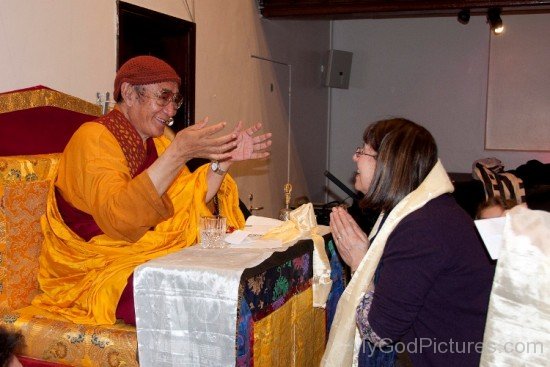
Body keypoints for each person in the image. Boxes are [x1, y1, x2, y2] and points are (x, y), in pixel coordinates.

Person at [32, 55, 271, 326]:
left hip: (141, 252)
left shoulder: (155, 143)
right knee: (178, 294)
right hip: (97, 269)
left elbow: (185, 198)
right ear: (129, 93)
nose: (171, 111)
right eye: (163, 97)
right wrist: (178, 153)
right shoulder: (94, 139)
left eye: (175, 101)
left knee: (223, 272)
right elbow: (120, 220)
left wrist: (221, 163)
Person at [322, 118, 495, 367]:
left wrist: (360, 263)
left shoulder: (421, 227)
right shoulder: (429, 212)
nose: (354, 157)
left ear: (388, 164)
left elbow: (380, 332)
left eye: (362, 151)